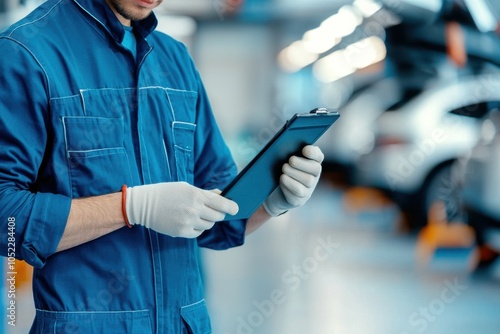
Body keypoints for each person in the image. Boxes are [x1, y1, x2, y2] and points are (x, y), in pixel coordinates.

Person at [0, 0, 324, 332]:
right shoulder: (26, 53)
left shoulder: (175, 60)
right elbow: (5, 215)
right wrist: (131, 207)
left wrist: (271, 201)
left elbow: (222, 215)